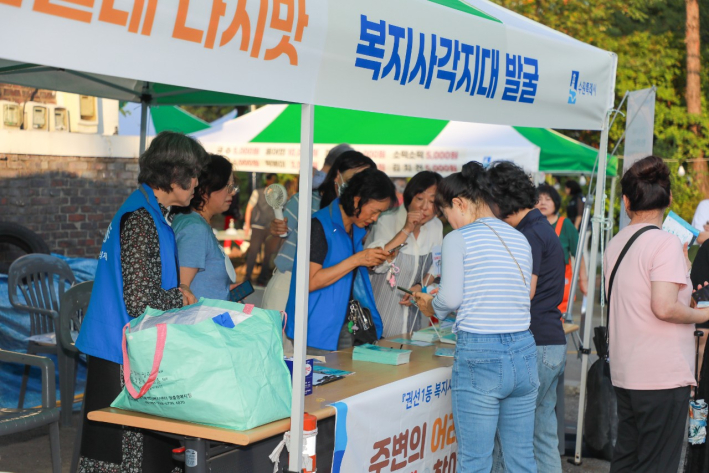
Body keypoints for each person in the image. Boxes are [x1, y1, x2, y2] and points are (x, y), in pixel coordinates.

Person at [75, 131, 207, 472]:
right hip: (118, 354)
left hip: (127, 348)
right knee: (126, 457)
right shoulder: (141, 218)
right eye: (193, 174)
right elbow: (139, 300)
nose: (197, 183)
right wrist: (179, 295)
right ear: (173, 174)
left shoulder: (150, 211)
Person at [414, 162, 538, 473]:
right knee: (521, 459)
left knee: (475, 461)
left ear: (459, 203)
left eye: (446, 215)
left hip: (481, 354)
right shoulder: (519, 238)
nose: (450, 223)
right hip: (524, 351)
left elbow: (452, 298)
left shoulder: (459, 238)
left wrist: (432, 305)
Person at [604, 156, 709, 472]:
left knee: (627, 459)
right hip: (661, 375)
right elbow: (662, 306)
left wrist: (685, 271)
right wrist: (704, 314)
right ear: (669, 198)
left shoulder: (617, 242)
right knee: (657, 464)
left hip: (626, 370)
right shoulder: (664, 243)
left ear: (626, 201)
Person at [486, 163, 566, 473]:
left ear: (499, 199)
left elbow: (524, 291)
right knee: (542, 435)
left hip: (533, 345)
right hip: (550, 344)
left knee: (510, 439)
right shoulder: (540, 227)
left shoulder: (529, 234)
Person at [284, 168, 396, 354]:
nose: (375, 218)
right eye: (375, 211)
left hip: (344, 327)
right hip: (315, 329)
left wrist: (367, 260)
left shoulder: (353, 230)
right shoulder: (319, 225)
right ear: (357, 199)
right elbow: (309, 281)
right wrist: (357, 259)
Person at [261, 148, 374, 311]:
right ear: (337, 176)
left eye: (363, 183)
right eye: (352, 179)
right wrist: (275, 233)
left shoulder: (361, 216)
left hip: (328, 292)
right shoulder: (305, 201)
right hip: (288, 283)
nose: (356, 187)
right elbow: (271, 248)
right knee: (280, 336)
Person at [365, 171, 443, 337]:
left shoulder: (436, 225)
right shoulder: (386, 220)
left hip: (415, 323)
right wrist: (407, 229)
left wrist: (420, 286)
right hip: (380, 319)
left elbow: (436, 265)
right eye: (420, 199)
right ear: (409, 197)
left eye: (432, 202)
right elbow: (376, 264)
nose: (425, 207)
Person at [172, 154, 239, 300]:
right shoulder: (195, 229)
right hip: (198, 322)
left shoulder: (193, 222)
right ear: (204, 189)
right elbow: (182, 293)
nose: (232, 192)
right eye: (227, 186)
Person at [536, 183, 589, 312]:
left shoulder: (565, 224)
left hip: (560, 282)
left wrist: (583, 280)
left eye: (548, 199)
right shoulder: (532, 225)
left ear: (556, 203)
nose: (543, 203)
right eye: (539, 199)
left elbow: (578, 254)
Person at [243, 172, 279, 285]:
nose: (273, 182)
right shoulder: (257, 192)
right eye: (271, 180)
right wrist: (247, 224)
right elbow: (249, 208)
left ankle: (262, 278)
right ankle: (247, 277)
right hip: (257, 226)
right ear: (268, 181)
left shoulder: (277, 195)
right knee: (253, 252)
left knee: (267, 254)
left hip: (270, 227)